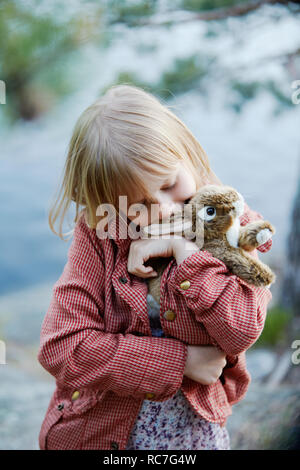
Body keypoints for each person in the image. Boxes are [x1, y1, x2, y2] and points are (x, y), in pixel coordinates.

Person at [37, 84, 273, 450]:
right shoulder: (101, 234)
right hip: (99, 432)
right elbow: (63, 347)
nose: (164, 209)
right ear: (108, 204)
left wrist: (186, 255)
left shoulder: (229, 225)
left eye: (169, 184)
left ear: (186, 154)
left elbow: (241, 330)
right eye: (139, 204)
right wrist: (179, 362)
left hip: (191, 436)